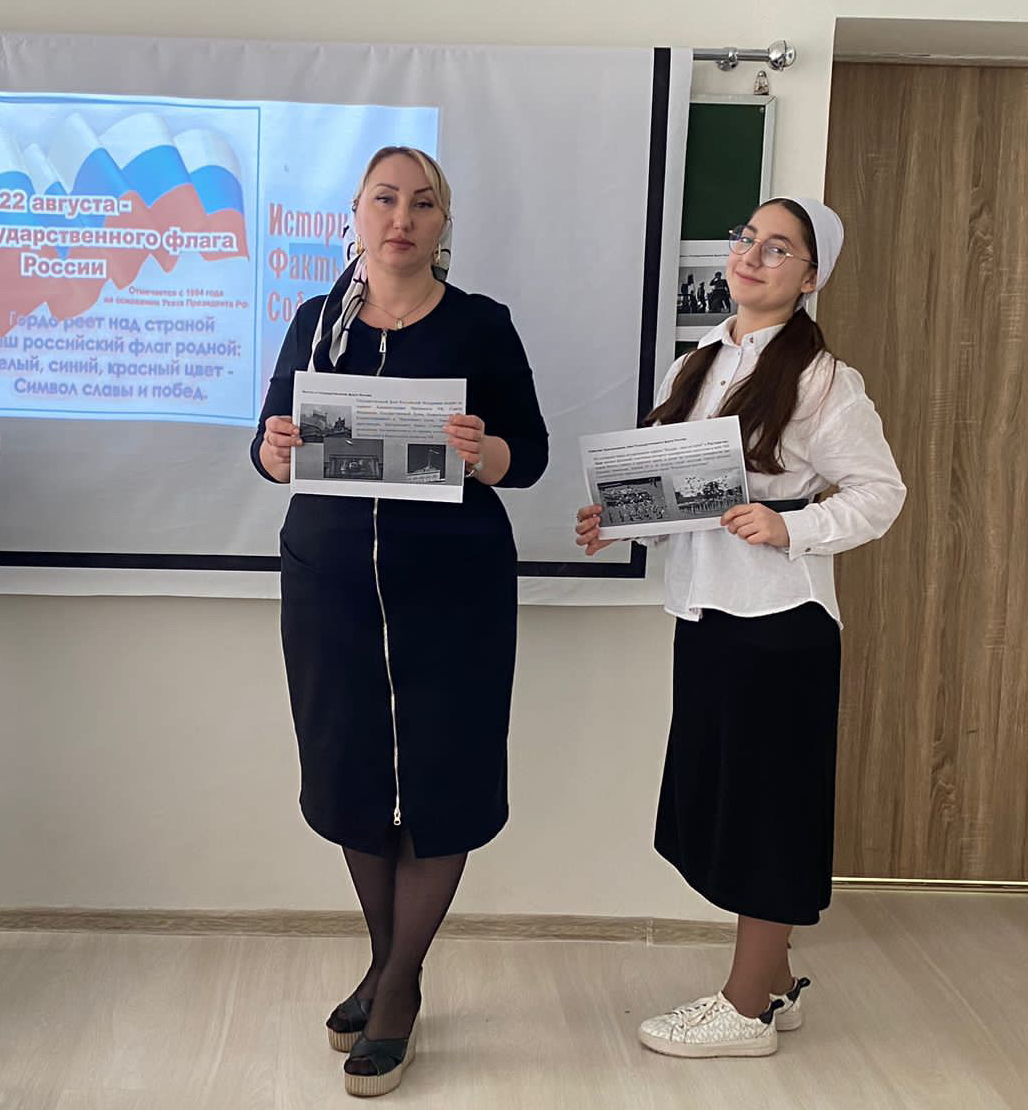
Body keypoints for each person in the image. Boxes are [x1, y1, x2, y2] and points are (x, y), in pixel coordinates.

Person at [575, 197, 905, 1059]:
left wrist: (791, 526)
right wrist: (621, 520)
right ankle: (777, 982)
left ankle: (746, 1008)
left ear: (811, 276)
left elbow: (881, 493)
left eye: (779, 248)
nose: (753, 256)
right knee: (726, 802)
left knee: (768, 813)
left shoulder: (825, 381)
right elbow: (677, 492)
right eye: (747, 239)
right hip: (707, 613)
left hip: (780, 626)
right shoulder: (697, 364)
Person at [253, 147, 548, 1096]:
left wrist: (484, 450)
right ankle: (391, 968)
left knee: (443, 777)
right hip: (331, 589)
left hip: (453, 593)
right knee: (351, 772)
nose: (402, 219)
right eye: (385, 200)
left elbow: (531, 455)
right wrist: (274, 449)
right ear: (356, 212)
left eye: (423, 204)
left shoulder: (481, 325)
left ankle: (398, 986)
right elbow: (267, 449)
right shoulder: (315, 322)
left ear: (442, 223)